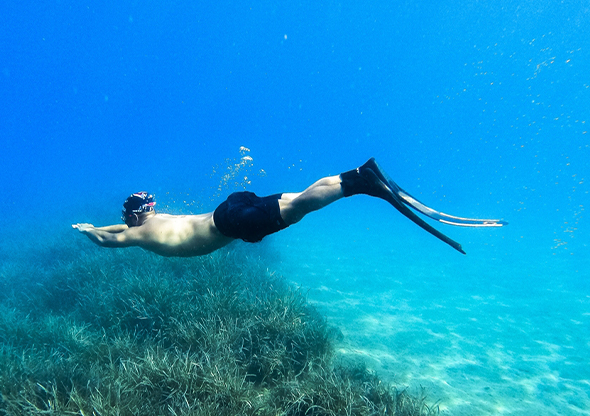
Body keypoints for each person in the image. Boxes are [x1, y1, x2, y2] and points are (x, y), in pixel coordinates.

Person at [72, 158, 507, 257]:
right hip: (228, 208)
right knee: (295, 197)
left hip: (231, 223)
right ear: (147, 209)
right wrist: (100, 224)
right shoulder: (153, 220)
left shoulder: (137, 232)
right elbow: (124, 227)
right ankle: (355, 175)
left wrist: (88, 230)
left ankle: (361, 185)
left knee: (299, 207)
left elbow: (110, 240)